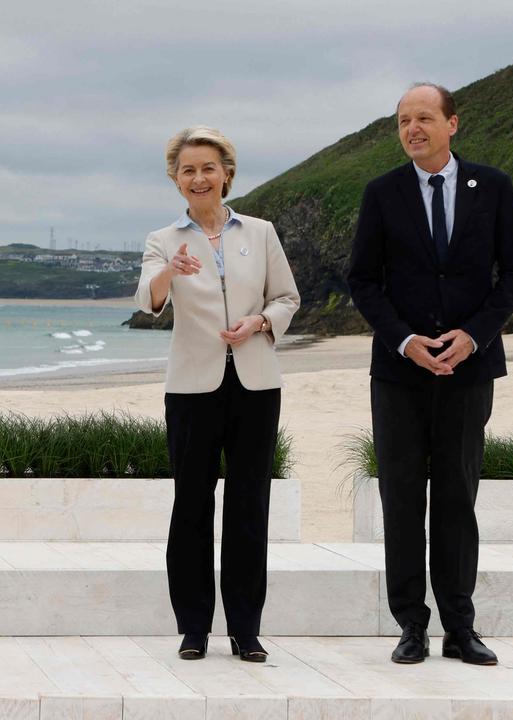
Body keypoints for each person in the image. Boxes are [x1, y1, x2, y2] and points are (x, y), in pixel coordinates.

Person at [347, 83, 513, 665]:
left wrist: (474, 334)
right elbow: (363, 280)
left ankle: (460, 626)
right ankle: (411, 626)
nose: (412, 128)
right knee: (402, 499)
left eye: (424, 117)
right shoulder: (382, 193)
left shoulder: (494, 187)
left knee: (457, 497)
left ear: (453, 124)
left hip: (469, 370)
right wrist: (404, 340)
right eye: (403, 120)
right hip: (399, 373)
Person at [135, 126, 299, 662]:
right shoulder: (164, 240)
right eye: (188, 170)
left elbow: (288, 297)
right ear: (175, 180)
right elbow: (149, 301)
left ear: (226, 173)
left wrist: (261, 321)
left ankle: (246, 629)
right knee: (191, 505)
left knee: (250, 504)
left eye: (208, 168)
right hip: (191, 387)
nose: (199, 178)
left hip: (255, 384)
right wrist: (167, 272)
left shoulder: (262, 231)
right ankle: (193, 628)